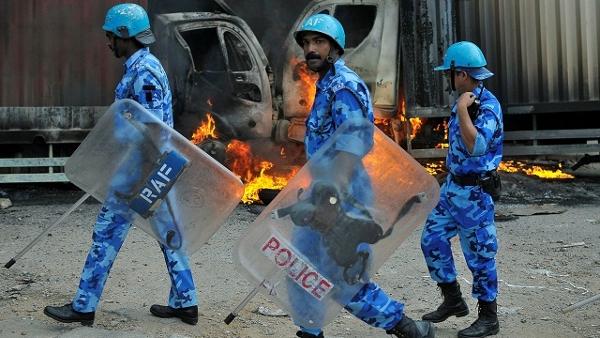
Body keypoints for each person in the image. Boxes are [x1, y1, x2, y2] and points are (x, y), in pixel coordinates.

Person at [43, 3, 198, 326]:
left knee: (106, 235)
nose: (108, 42)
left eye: (111, 36)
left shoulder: (144, 72)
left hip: (141, 172)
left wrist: (130, 170)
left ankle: (83, 307)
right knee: (169, 235)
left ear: (125, 35)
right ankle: (186, 302)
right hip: (154, 170)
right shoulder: (140, 67)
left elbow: (155, 129)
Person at [290, 14, 434, 338]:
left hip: (343, 193)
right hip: (325, 191)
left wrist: (331, 199)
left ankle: (406, 328)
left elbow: (351, 147)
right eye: (308, 43)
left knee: (342, 277)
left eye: (319, 42)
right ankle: (309, 330)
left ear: (334, 48)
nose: (311, 49)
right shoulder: (326, 84)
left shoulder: (343, 85)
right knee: (298, 263)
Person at [420, 41, 503, 338]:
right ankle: (453, 300)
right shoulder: (465, 101)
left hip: (475, 195)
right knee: (431, 239)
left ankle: (489, 318)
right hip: (453, 189)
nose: (448, 78)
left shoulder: (487, 106)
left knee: (480, 255)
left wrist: (462, 111)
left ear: (462, 73)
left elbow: (477, 146)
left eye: (450, 73)